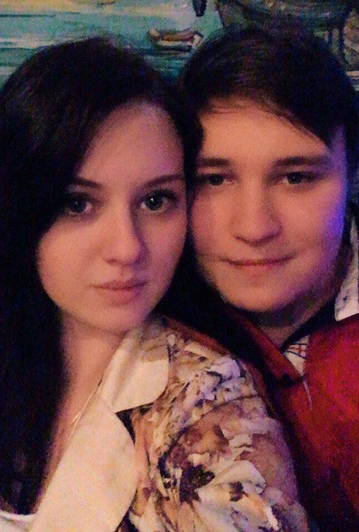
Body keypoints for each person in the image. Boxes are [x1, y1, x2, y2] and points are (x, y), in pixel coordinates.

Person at [0, 37, 306, 530]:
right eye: (78, 204)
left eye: (155, 201)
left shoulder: (209, 407)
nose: (127, 248)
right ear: (14, 209)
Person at [168, 26, 359, 529]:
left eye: (296, 177)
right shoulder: (134, 313)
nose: (254, 228)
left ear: (352, 176)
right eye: (214, 179)